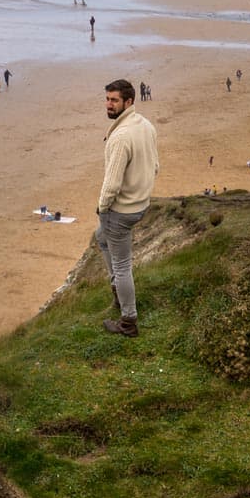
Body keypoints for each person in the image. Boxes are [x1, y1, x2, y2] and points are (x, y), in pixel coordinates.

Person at [96, 78, 159, 338]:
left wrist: (102, 208)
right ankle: (117, 291)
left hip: (122, 210)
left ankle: (128, 321)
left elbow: (111, 184)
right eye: (107, 99)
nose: (108, 104)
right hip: (141, 203)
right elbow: (156, 166)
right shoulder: (145, 125)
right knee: (101, 238)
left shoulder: (121, 137)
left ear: (128, 102)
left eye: (114, 100)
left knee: (122, 265)